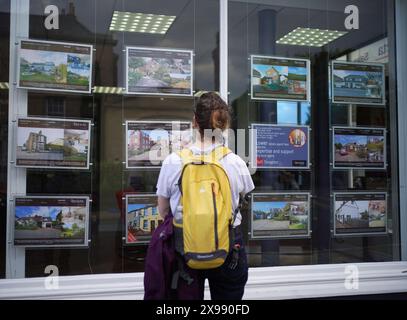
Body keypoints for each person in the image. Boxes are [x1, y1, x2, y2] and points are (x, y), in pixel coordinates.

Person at [155, 92, 255, 300]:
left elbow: (164, 210)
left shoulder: (173, 161)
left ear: (194, 121)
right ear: (224, 124)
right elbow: (245, 195)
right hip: (229, 244)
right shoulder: (235, 162)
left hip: (185, 244)